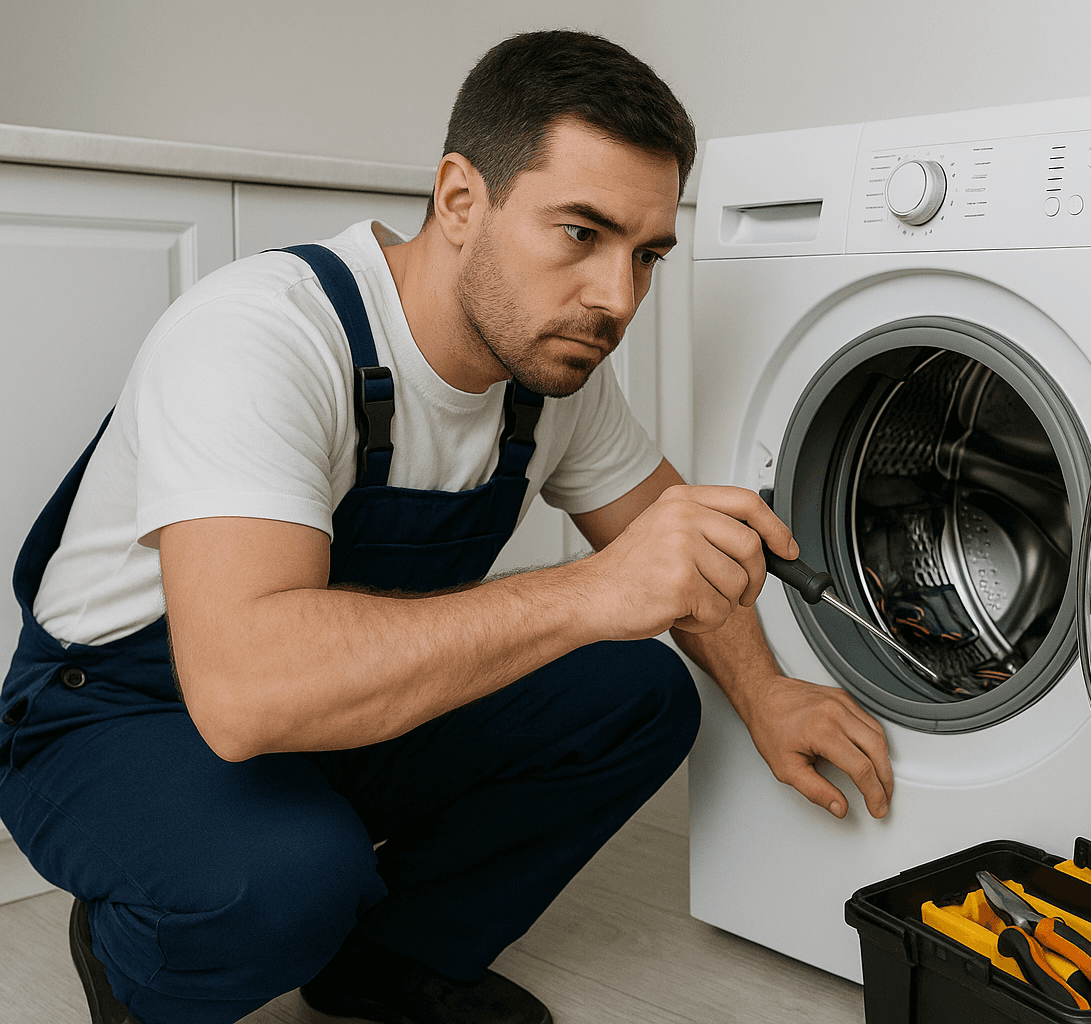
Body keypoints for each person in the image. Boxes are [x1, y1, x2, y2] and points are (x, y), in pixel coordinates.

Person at [0, 30, 893, 1024]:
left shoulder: (553, 373)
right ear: (462, 199)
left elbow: (678, 543)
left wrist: (767, 691)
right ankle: (136, 954)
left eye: (647, 254)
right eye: (580, 234)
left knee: (639, 695)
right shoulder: (264, 334)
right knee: (286, 880)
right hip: (112, 715)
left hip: (313, 703)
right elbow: (246, 690)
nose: (617, 299)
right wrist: (594, 591)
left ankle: (386, 962)